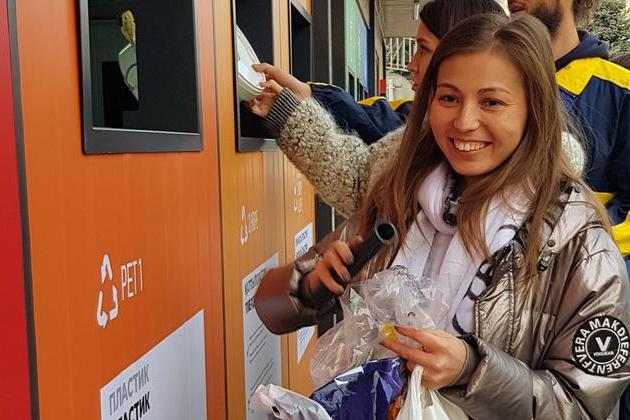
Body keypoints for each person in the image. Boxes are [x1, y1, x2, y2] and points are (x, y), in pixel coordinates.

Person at [255, 14, 630, 418]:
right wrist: (312, 286)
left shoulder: (579, 243)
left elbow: (586, 406)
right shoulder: (400, 196)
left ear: (534, 110)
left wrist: (472, 370)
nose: (464, 122)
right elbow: (271, 308)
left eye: (492, 102)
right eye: (448, 98)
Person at [253, 0, 506, 146]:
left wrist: (301, 103)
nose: (411, 65)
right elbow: (359, 161)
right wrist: (306, 95)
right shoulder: (413, 130)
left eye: (424, 49)